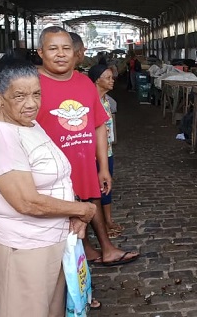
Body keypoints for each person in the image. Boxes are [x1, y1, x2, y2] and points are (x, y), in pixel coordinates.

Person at [0, 55, 97, 316]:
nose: (31, 104)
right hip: (26, 248)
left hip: (51, 240)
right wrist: (82, 209)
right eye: (20, 96)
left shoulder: (25, 122)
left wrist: (73, 213)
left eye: (37, 94)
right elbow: (26, 201)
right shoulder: (1, 136)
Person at [36, 26, 139, 266]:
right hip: (49, 166)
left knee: (92, 200)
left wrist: (103, 166)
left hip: (83, 160)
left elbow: (98, 126)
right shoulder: (33, 84)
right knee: (64, 207)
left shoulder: (84, 83)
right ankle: (83, 250)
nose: (60, 54)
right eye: (53, 49)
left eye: (66, 49)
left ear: (76, 53)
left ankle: (106, 247)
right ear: (41, 52)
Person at [88, 64, 124, 238]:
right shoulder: (88, 100)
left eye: (112, 77)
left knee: (107, 183)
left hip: (106, 150)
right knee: (94, 188)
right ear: (97, 80)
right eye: (108, 78)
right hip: (90, 152)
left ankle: (108, 220)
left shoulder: (106, 101)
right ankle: (99, 223)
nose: (112, 80)